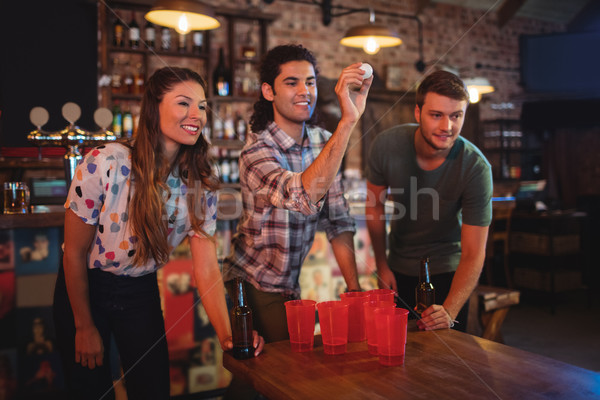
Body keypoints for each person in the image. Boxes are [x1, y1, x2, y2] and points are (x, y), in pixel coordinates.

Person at [53, 67, 264, 400]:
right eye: (184, 103)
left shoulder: (199, 186)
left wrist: (229, 337)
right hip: (84, 290)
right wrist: (84, 325)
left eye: (203, 106)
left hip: (139, 292)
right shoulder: (104, 163)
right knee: (90, 390)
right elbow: (74, 253)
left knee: (152, 389)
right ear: (154, 108)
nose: (197, 115)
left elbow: (207, 270)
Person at [365, 70, 492, 332]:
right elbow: (374, 206)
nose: (447, 127)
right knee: (397, 357)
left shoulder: (476, 167)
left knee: (447, 364)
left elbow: (473, 253)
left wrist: (450, 310)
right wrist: (381, 263)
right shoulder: (385, 146)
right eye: (436, 115)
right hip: (398, 269)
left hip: (449, 273)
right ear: (417, 113)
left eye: (456, 116)